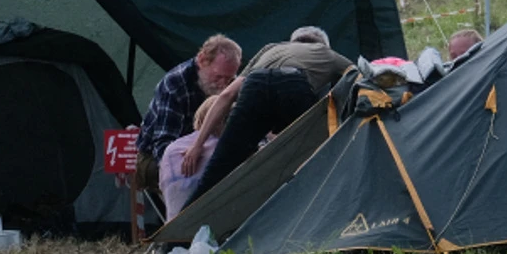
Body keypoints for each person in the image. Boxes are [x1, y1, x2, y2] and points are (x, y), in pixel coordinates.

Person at [185, 27, 353, 198]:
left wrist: (197, 145)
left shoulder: (270, 48)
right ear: (324, 45)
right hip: (294, 85)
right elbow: (361, 77)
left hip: (256, 83)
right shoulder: (327, 53)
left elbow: (226, 96)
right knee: (319, 151)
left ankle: (187, 219)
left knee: (222, 163)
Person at [136, 34, 242, 173]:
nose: (223, 84)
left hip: (202, 146)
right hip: (156, 155)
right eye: (218, 77)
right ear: (202, 60)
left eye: (228, 78)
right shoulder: (175, 86)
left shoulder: (230, 82)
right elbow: (163, 148)